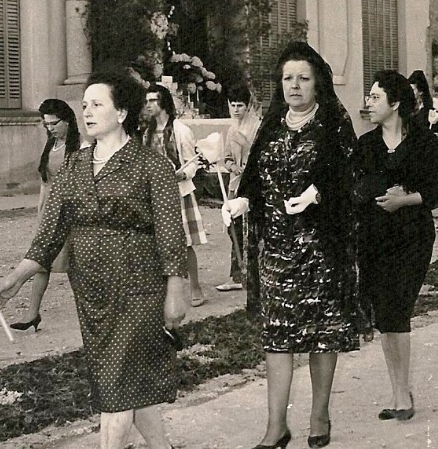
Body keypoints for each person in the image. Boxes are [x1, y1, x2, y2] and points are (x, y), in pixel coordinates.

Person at [0, 72, 187, 449]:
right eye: (84, 105)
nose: (87, 111)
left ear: (122, 112)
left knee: (115, 384)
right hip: (92, 292)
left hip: (139, 288)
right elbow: (49, 234)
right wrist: (17, 276)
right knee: (128, 382)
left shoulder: (152, 165)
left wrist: (175, 288)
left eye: (98, 104)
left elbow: (170, 233)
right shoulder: (74, 167)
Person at [223, 42, 359, 449]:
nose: (294, 86)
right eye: (287, 78)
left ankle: (319, 415)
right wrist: (242, 200)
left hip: (321, 248)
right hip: (276, 250)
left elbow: (349, 175)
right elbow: (254, 175)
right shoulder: (272, 122)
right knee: (277, 336)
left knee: (321, 333)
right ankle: (275, 425)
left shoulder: (333, 123)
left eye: (303, 78)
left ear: (317, 82)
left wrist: (317, 193)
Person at [353, 70, 438, 420]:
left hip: (412, 238)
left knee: (397, 312)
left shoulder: (426, 142)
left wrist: (404, 199)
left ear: (395, 103)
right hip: (375, 239)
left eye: (375, 97)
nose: (368, 103)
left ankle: (402, 395)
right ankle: (399, 391)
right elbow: (357, 189)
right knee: (386, 317)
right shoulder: (365, 145)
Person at [10, 99, 82, 331]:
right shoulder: (51, 146)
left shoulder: (81, 146)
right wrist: (40, 212)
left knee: (75, 266)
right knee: (41, 262)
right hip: (51, 212)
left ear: (68, 120)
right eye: (46, 124)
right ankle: (32, 313)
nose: (50, 128)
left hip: (72, 213)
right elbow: (45, 182)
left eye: (54, 123)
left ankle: (90, 311)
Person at [143, 83, 207, 307]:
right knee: (157, 242)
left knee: (185, 242)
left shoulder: (180, 130)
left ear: (164, 103)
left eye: (153, 100)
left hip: (178, 193)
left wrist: (183, 174)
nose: (149, 105)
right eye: (147, 100)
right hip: (156, 194)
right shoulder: (147, 133)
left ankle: (195, 287)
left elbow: (193, 162)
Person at [215, 83, 260, 292]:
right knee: (232, 226)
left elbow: (260, 154)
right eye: (232, 105)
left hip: (252, 185)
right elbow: (225, 158)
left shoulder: (257, 127)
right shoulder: (232, 129)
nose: (235, 109)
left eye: (240, 105)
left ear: (248, 106)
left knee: (252, 229)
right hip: (235, 183)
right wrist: (233, 166)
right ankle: (236, 274)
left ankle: (253, 274)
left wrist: (247, 166)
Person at [408, 70, 438, 150]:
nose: (409, 92)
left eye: (412, 90)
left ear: (421, 91)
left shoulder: (431, 114)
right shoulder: (407, 111)